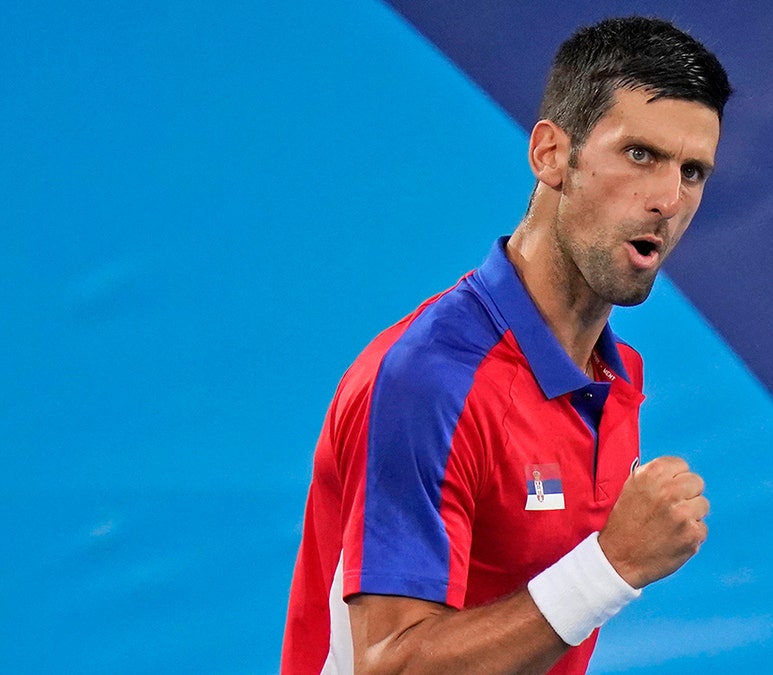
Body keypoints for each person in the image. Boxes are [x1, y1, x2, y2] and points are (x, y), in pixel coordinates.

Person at [281, 15, 732, 675]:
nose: (668, 198)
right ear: (552, 154)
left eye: (693, 172)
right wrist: (611, 564)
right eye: (640, 154)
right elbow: (390, 665)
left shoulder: (612, 378)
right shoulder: (433, 379)